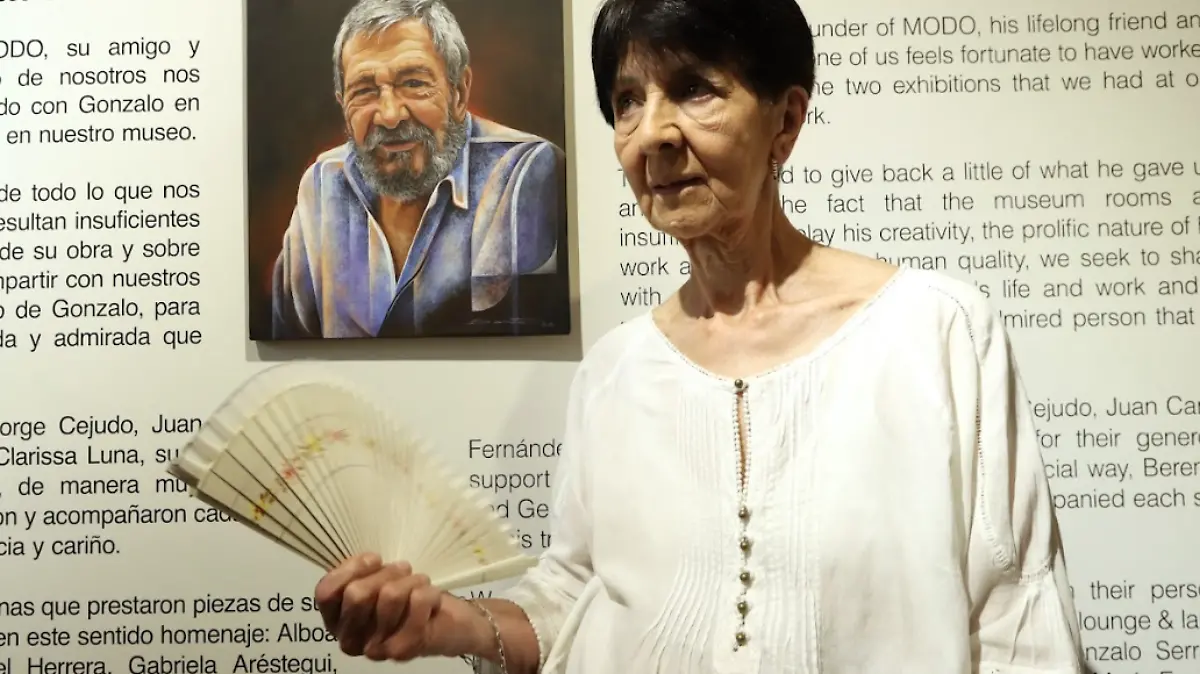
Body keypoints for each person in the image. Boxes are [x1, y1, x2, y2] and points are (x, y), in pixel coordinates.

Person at [314, 0, 1087, 671]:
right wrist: (450, 624)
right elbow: (572, 600)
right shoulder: (615, 372)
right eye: (627, 101)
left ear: (785, 120)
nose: (652, 133)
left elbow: (1020, 624)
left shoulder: (935, 332)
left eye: (694, 90)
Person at [271, 0, 568, 340]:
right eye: (364, 91)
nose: (389, 115)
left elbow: (519, 339)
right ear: (343, 104)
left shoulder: (523, 173)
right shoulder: (323, 183)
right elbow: (289, 343)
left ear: (459, 93)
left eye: (413, 83)